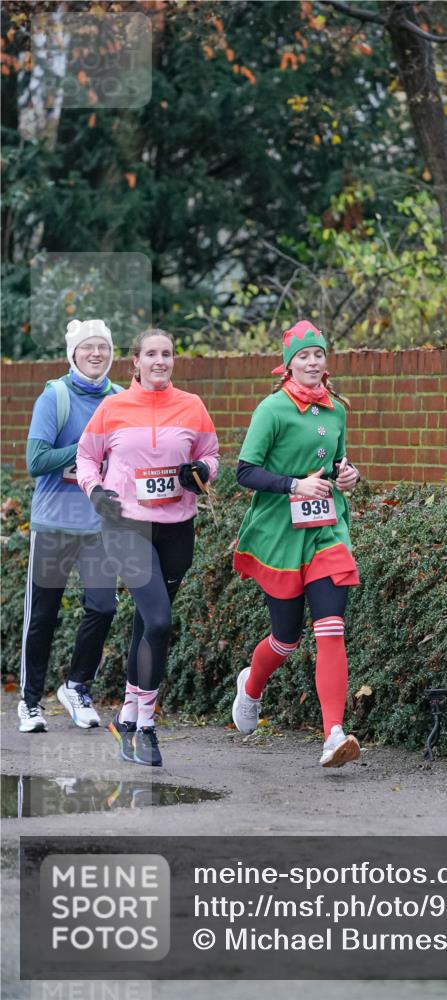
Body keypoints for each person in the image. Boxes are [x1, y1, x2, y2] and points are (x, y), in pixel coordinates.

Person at [76, 328, 219, 767]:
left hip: (177, 528)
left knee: (146, 623)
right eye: (152, 354)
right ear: (135, 362)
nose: (161, 361)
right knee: (159, 620)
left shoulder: (191, 405)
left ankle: (127, 717)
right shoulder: (113, 407)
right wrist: (95, 491)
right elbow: (85, 456)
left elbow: (212, 456)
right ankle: (148, 725)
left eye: (168, 354)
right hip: (127, 526)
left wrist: (200, 470)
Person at [232, 319, 362, 768]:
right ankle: (250, 687)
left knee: (331, 627)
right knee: (286, 639)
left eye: (318, 355)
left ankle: (333, 734)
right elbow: (244, 471)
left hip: (327, 531)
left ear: (326, 363)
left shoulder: (336, 410)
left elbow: (337, 463)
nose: (312, 362)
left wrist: (348, 475)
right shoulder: (272, 409)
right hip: (279, 533)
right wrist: (294, 485)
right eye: (303, 356)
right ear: (289, 365)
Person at [19, 319, 122, 734]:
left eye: (103, 347)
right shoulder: (55, 396)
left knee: (103, 606)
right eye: (87, 347)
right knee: (42, 616)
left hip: (99, 525)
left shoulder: (119, 398)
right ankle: (29, 703)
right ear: (73, 354)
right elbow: (36, 461)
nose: (96, 353)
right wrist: (83, 451)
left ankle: (76, 687)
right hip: (54, 523)